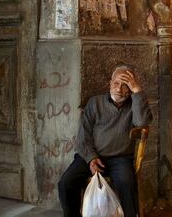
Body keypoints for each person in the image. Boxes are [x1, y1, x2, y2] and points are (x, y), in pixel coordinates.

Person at [58, 65, 153, 217]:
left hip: (120, 159)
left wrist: (137, 90)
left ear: (130, 90)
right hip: (90, 156)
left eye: (125, 86)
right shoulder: (95, 103)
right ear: (109, 83)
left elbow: (142, 122)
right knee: (66, 183)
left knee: (127, 183)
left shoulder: (133, 105)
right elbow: (84, 136)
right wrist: (91, 158)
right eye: (116, 83)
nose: (119, 90)